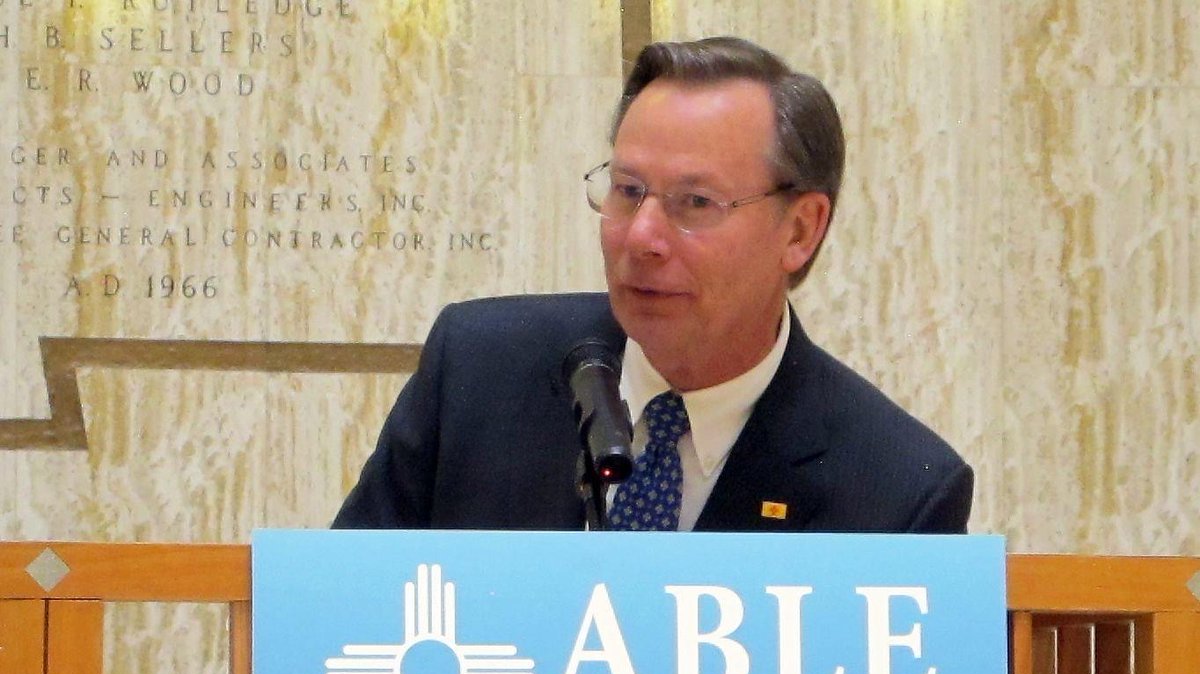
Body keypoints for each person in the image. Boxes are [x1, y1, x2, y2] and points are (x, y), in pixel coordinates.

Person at [334, 36, 973, 533]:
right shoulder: (478, 373)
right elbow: (343, 622)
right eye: (628, 190)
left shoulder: (897, 493)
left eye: (695, 202)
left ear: (800, 229)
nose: (641, 236)